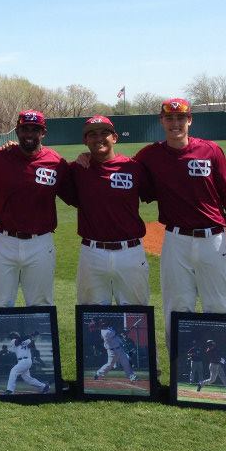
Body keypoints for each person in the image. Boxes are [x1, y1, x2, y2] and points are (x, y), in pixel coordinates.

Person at [0, 110, 72, 393]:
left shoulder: (56, 162)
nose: (29, 134)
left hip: (41, 242)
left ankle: (47, 371)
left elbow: (77, 189)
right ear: (17, 131)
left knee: (41, 306)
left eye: (35, 129)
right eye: (25, 129)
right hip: (5, 241)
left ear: (43, 133)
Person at [134, 99, 226, 346]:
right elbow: (121, 169)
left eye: (180, 118)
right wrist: (88, 158)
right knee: (177, 306)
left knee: (221, 304)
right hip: (176, 241)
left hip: (213, 240)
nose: (175, 123)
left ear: (189, 120)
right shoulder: (150, 155)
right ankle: (178, 367)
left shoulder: (210, 150)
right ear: (162, 121)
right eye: (169, 118)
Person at [70, 115, 154, 307]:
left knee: (135, 314)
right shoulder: (77, 169)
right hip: (92, 253)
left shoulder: (133, 167)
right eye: (92, 134)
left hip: (130, 252)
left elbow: (154, 192)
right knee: (91, 316)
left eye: (104, 133)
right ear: (85, 140)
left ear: (114, 137)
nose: (99, 138)